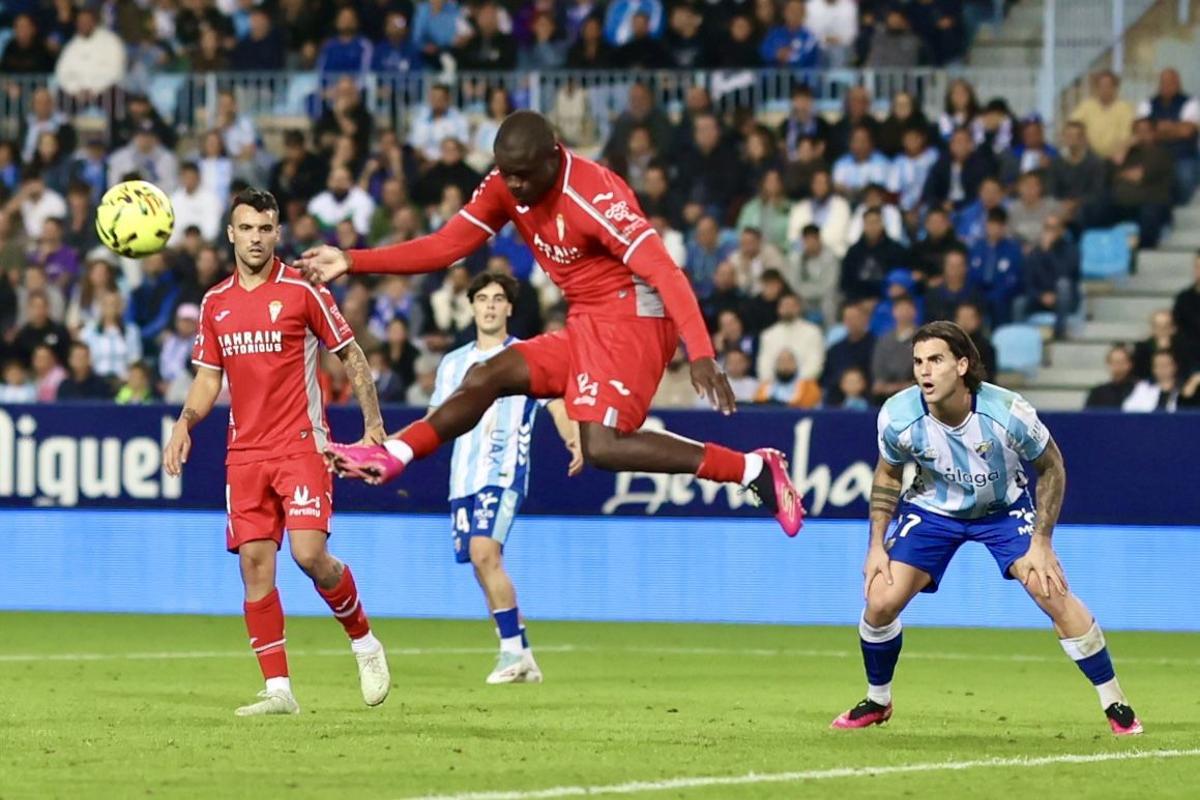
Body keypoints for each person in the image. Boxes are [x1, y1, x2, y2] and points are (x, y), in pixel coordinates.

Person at [298, 110, 803, 537]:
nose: (513, 186)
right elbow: (445, 247)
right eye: (505, 173)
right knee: (488, 374)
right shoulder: (505, 186)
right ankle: (394, 455)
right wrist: (352, 260)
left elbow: (665, 271)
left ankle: (752, 468)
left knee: (602, 445)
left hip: (635, 313)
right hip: (587, 315)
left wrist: (701, 351)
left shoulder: (595, 195)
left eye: (522, 174)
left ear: (553, 156)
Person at [832, 321, 1143, 736]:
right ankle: (878, 700)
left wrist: (1042, 542)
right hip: (932, 512)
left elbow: (1052, 466)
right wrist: (875, 545)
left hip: (1004, 509)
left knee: (1048, 589)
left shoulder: (1007, 412)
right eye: (918, 362)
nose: (924, 371)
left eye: (936, 360)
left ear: (962, 365)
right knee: (880, 599)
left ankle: (1115, 702)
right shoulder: (898, 415)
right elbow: (889, 474)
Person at [162, 189, 391, 716]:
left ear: (277, 234)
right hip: (244, 453)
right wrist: (185, 422)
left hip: (301, 445)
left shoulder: (302, 291)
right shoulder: (215, 302)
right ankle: (279, 690)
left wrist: (373, 426)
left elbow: (350, 354)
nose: (256, 238)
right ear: (231, 234)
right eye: (247, 228)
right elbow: (207, 378)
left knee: (309, 554)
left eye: (265, 229)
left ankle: (364, 641)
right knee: (254, 564)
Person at [434, 270, 581, 683]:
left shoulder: (527, 356)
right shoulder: (453, 364)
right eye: (483, 299)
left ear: (510, 308)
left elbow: (556, 404)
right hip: (462, 478)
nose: (491, 306)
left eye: (498, 299)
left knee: (486, 553)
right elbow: (437, 417)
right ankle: (524, 654)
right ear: (473, 306)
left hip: (503, 471)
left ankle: (511, 652)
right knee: (481, 566)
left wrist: (573, 439)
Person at [1085, 344, 1136, 409]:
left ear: (1129, 364)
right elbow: (1087, 416)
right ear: (1108, 364)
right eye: (1114, 362)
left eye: (1121, 362)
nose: (1118, 366)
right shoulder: (1097, 393)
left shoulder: (1139, 391)